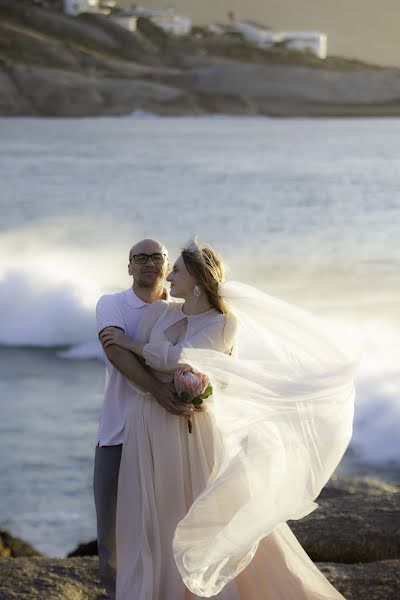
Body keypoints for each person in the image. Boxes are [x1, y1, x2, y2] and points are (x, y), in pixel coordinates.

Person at [100, 238, 355, 599]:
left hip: (191, 429)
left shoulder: (223, 324)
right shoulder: (165, 312)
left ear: (199, 280)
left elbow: (182, 359)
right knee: (152, 516)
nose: (169, 275)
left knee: (193, 507)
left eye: (177, 270)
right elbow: (154, 360)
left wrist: (132, 345)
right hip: (148, 423)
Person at [94, 238, 190, 600]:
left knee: (167, 531)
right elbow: (116, 352)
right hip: (117, 434)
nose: (149, 263)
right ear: (129, 266)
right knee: (112, 536)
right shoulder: (112, 304)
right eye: (141, 258)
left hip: (169, 435)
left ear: (167, 266)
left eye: (158, 257)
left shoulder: (183, 311)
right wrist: (159, 390)